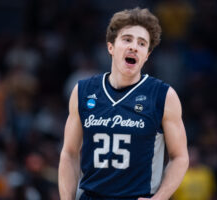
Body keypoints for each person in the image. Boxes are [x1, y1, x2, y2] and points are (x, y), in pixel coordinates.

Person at [58, 7, 189, 200]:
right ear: (111, 47)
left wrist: (159, 198)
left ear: (147, 55)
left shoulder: (163, 95)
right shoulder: (83, 91)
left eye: (142, 43)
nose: (134, 47)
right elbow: (69, 153)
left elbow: (180, 157)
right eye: (127, 39)